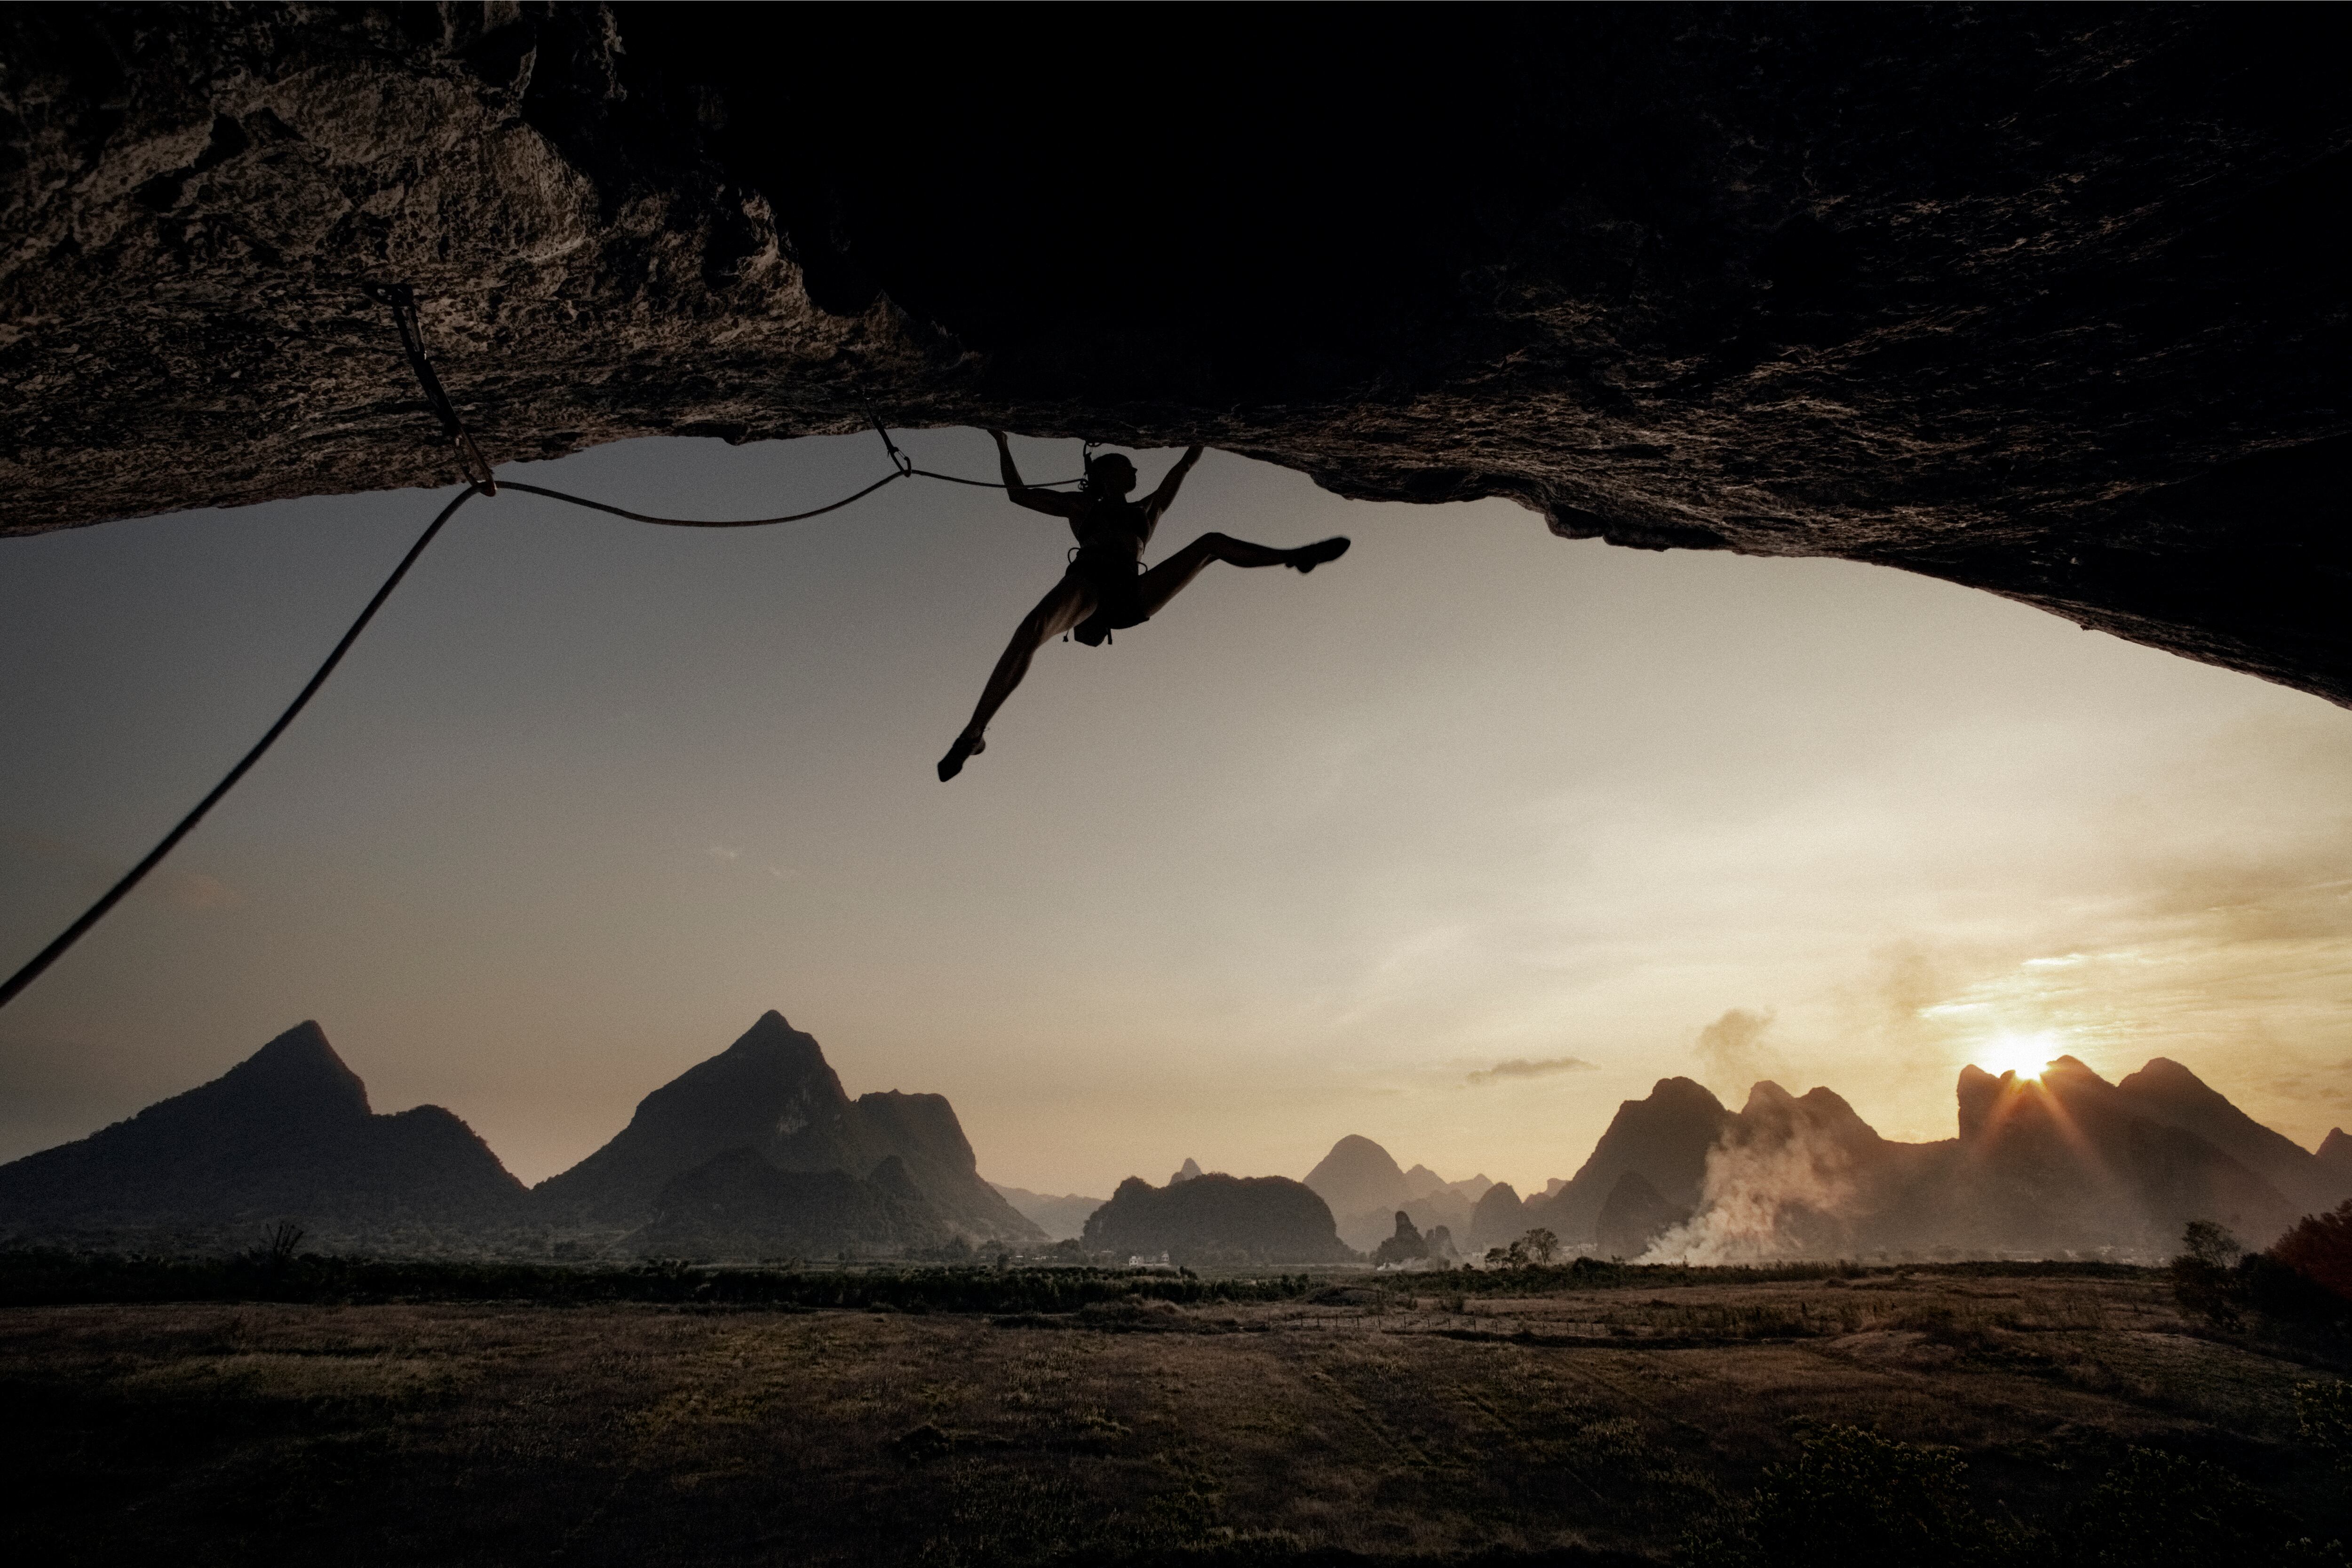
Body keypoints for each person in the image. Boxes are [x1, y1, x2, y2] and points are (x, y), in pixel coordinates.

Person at [936, 432, 1350, 781]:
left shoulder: (1148, 509)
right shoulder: (1083, 507)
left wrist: (1202, 432)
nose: (1136, 471)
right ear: (1105, 474)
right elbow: (1019, 495)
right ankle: (974, 734)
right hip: (1090, 584)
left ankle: (1292, 556)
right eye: (1127, 465)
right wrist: (1001, 442)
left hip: (1131, 591)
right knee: (1032, 631)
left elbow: (1184, 466)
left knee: (1211, 543)